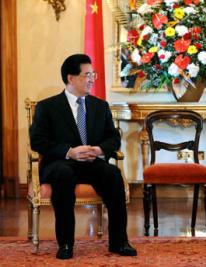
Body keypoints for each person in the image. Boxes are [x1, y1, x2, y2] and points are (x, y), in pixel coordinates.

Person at [30, 54, 137, 259]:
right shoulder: (47, 107)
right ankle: (66, 244)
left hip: (91, 162)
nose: (91, 79)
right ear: (71, 78)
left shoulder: (100, 106)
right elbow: (38, 141)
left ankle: (119, 242)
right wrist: (69, 151)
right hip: (60, 163)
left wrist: (98, 150)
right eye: (87, 75)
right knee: (63, 174)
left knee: (113, 174)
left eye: (93, 74)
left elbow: (113, 138)